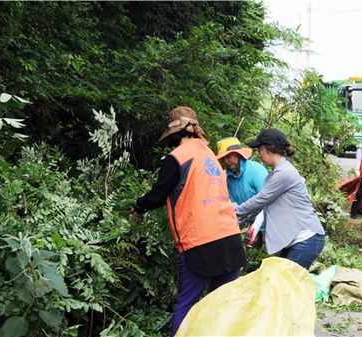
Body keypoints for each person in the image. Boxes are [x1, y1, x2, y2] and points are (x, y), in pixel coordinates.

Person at [130, 107, 246, 336]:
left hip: (200, 242)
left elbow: (157, 194)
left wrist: (138, 207)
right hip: (231, 238)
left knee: (187, 304)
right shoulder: (209, 154)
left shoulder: (178, 157)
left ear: (175, 133)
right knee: (225, 306)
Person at [235, 128, 325, 269]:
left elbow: (260, 199)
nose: (259, 154)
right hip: (296, 239)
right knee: (282, 284)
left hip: (306, 238)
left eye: (260, 149)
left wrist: (234, 213)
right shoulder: (277, 172)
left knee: (287, 285)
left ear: (266, 149)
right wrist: (240, 220)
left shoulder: (284, 173)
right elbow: (264, 205)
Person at [216, 136, 269, 247]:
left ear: (238, 154)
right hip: (252, 227)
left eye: (229, 157)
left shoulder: (255, 170)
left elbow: (269, 199)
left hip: (270, 226)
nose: (226, 161)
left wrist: (257, 225)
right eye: (223, 158)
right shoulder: (228, 178)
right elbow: (234, 206)